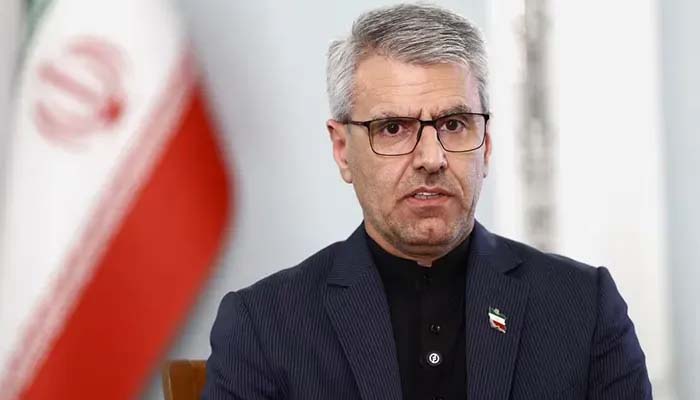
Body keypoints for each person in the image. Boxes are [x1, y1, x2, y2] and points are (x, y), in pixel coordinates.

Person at [202, 4, 651, 399]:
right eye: (393, 128)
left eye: (454, 124)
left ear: (486, 146)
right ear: (342, 151)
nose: (431, 159)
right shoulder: (264, 325)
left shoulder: (583, 307)